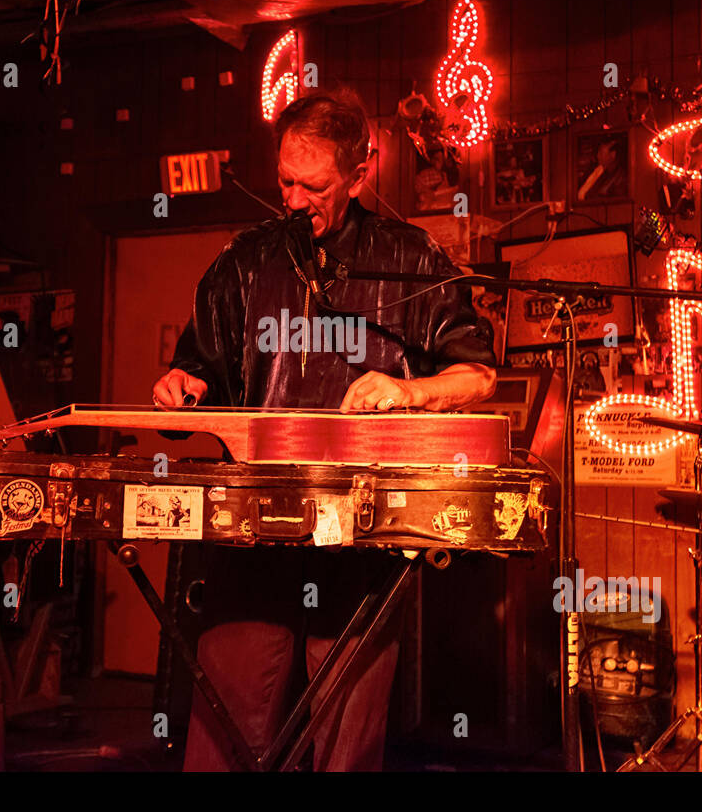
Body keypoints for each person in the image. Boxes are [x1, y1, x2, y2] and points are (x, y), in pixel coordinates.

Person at [152, 88, 496, 771]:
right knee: (226, 734)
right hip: (250, 539)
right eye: (284, 180)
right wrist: (180, 387)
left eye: (314, 185)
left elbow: (479, 377)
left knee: (345, 746)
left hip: (362, 539)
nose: (294, 198)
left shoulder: (410, 258)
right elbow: (197, 372)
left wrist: (409, 390)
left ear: (360, 174)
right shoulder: (243, 264)